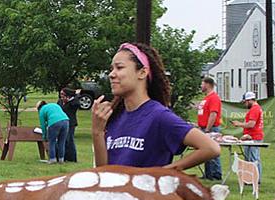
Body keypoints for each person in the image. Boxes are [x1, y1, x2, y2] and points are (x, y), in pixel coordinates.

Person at [91, 42, 219, 170]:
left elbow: (211, 148)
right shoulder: (115, 116)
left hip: (147, 190)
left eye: (119, 67)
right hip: (115, 190)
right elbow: (104, 172)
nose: (111, 74)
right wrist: (97, 132)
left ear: (142, 73)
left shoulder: (159, 116)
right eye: (111, 69)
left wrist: (162, 174)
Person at [232, 91, 264, 176]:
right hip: (250, 137)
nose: (245, 104)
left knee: (254, 159)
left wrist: (239, 124)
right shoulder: (255, 109)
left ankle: (256, 180)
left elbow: (251, 124)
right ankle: (250, 178)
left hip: (254, 137)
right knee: (249, 159)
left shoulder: (254, 109)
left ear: (250, 100)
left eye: (245, 102)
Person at [197, 76, 223, 180]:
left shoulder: (214, 98)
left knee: (213, 151)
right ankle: (208, 174)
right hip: (203, 128)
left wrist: (208, 128)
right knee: (205, 152)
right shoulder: (206, 98)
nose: (201, 86)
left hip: (211, 129)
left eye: (202, 84)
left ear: (208, 85)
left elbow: (213, 114)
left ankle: (216, 174)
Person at [58, 88, 82, 162]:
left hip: (70, 123)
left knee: (69, 140)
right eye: (61, 94)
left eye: (63, 94)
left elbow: (77, 105)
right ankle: (64, 157)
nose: (61, 96)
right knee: (63, 140)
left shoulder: (73, 101)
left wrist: (71, 99)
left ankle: (72, 158)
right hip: (61, 122)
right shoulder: (60, 101)